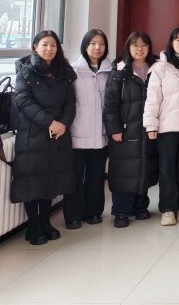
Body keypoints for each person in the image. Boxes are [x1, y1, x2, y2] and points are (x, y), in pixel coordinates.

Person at [12, 30, 76, 246]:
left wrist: (63, 124)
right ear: (35, 47)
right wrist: (49, 121)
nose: (49, 49)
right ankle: (33, 225)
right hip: (33, 133)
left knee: (51, 178)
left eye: (53, 45)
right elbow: (22, 100)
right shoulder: (26, 71)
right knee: (32, 179)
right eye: (45, 44)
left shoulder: (63, 71)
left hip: (58, 133)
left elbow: (71, 102)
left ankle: (45, 222)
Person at [104, 31, 159, 228]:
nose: (140, 49)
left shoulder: (157, 69)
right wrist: (114, 128)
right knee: (124, 170)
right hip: (126, 130)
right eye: (135, 45)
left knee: (145, 166)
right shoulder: (119, 71)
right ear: (128, 47)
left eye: (144, 45)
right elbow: (110, 104)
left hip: (149, 129)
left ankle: (140, 207)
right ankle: (121, 211)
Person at [144, 27, 179, 226]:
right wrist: (151, 125)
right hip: (167, 127)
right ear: (171, 43)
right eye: (178, 40)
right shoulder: (161, 68)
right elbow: (152, 99)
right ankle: (167, 209)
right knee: (167, 169)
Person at [63, 29, 111, 230]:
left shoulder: (110, 71)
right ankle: (73, 215)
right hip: (78, 132)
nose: (97, 47)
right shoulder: (73, 71)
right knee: (74, 176)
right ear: (85, 46)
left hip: (101, 133)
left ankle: (93, 212)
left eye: (101, 43)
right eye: (93, 43)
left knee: (96, 175)